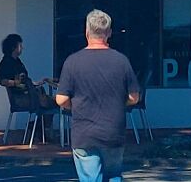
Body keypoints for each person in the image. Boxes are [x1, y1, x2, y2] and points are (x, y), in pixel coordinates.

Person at [56, 9, 139, 182]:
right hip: (113, 132)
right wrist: (118, 102)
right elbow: (134, 97)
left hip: (84, 133)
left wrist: (76, 105)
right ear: (109, 33)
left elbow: (61, 99)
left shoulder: (73, 61)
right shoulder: (121, 60)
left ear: (86, 32)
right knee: (114, 175)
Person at [0, 33, 56, 113]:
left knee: (51, 102)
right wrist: (15, 82)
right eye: (20, 46)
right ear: (13, 47)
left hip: (29, 94)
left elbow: (24, 79)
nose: (22, 48)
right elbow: (3, 81)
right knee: (54, 102)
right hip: (20, 98)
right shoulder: (5, 63)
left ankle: (39, 124)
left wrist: (36, 83)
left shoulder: (17, 61)